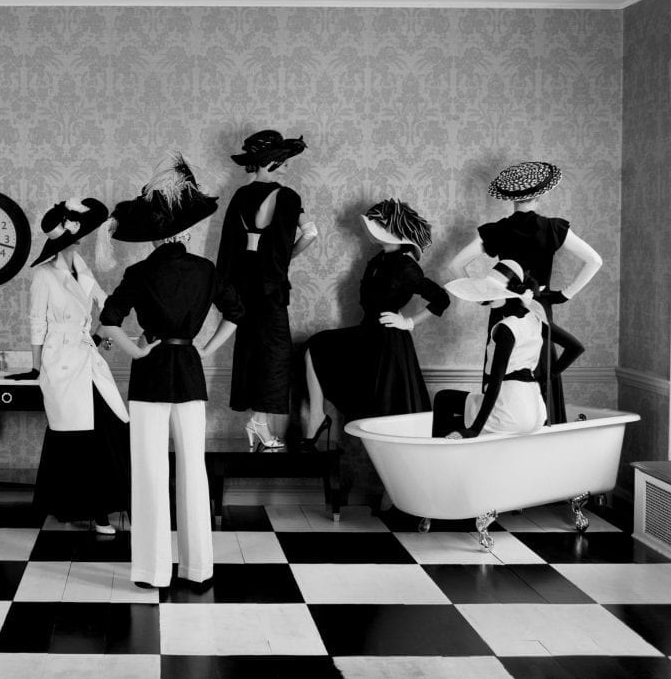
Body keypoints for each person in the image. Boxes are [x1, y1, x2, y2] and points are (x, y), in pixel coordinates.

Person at [98, 154, 243, 589]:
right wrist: (205, 347)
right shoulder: (205, 270)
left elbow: (108, 320)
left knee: (149, 471)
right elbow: (236, 314)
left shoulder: (139, 272)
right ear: (186, 232)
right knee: (193, 470)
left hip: (150, 375)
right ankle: (198, 569)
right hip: (190, 372)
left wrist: (136, 352)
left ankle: (153, 571)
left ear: (155, 237)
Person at [448, 161, 601, 424]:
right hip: (538, 308)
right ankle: (541, 431)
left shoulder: (497, 230)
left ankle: (492, 429)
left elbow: (455, 265)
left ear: (511, 199)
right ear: (539, 196)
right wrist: (565, 294)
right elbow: (595, 261)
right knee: (540, 370)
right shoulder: (552, 228)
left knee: (498, 374)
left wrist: (484, 295)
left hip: (502, 307)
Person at [15, 197, 130, 534]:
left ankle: (107, 506)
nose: (81, 239)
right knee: (75, 437)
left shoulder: (82, 267)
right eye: (76, 234)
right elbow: (37, 322)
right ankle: (81, 509)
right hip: (60, 362)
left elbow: (107, 304)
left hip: (86, 357)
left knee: (109, 427)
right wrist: (36, 368)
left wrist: (104, 332)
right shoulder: (43, 275)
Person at [304, 199, 449, 447]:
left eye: (381, 226)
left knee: (386, 411)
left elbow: (441, 299)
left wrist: (408, 322)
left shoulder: (407, 267)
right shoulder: (378, 259)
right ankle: (316, 417)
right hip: (367, 333)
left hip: (388, 342)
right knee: (315, 345)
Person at [216, 130, 319, 450]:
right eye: (284, 159)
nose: (288, 164)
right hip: (269, 286)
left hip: (242, 285)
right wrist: (285, 260)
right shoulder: (286, 196)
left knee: (250, 349)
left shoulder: (240, 195)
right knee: (275, 353)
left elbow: (228, 247)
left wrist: (224, 290)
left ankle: (257, 421)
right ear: (271, 160)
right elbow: (310, 233)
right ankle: (259, 422)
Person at [433, 260, 552, 438]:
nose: (489, 296)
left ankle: (440, 451)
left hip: (509, 410)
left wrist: (474, 429)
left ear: (510, 294)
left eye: (494, 291)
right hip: (535, 411)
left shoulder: (506, 328)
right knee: (454, 407)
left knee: (443, 398)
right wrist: (544, 378)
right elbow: (575, 348)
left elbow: (495, 384)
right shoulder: (535, 319)